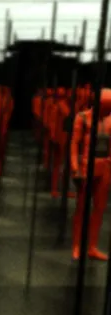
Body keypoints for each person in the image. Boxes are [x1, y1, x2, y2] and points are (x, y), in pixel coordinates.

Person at [69, 88, 111, 261]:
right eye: (107, 107)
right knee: (81, 209)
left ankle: (92, 246)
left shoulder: (110, 120)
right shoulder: (83, 117)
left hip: (105, 167)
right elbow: (74, 144)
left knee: (99, 209)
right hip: (87, 166)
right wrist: (75, 168)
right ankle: (77, 245)